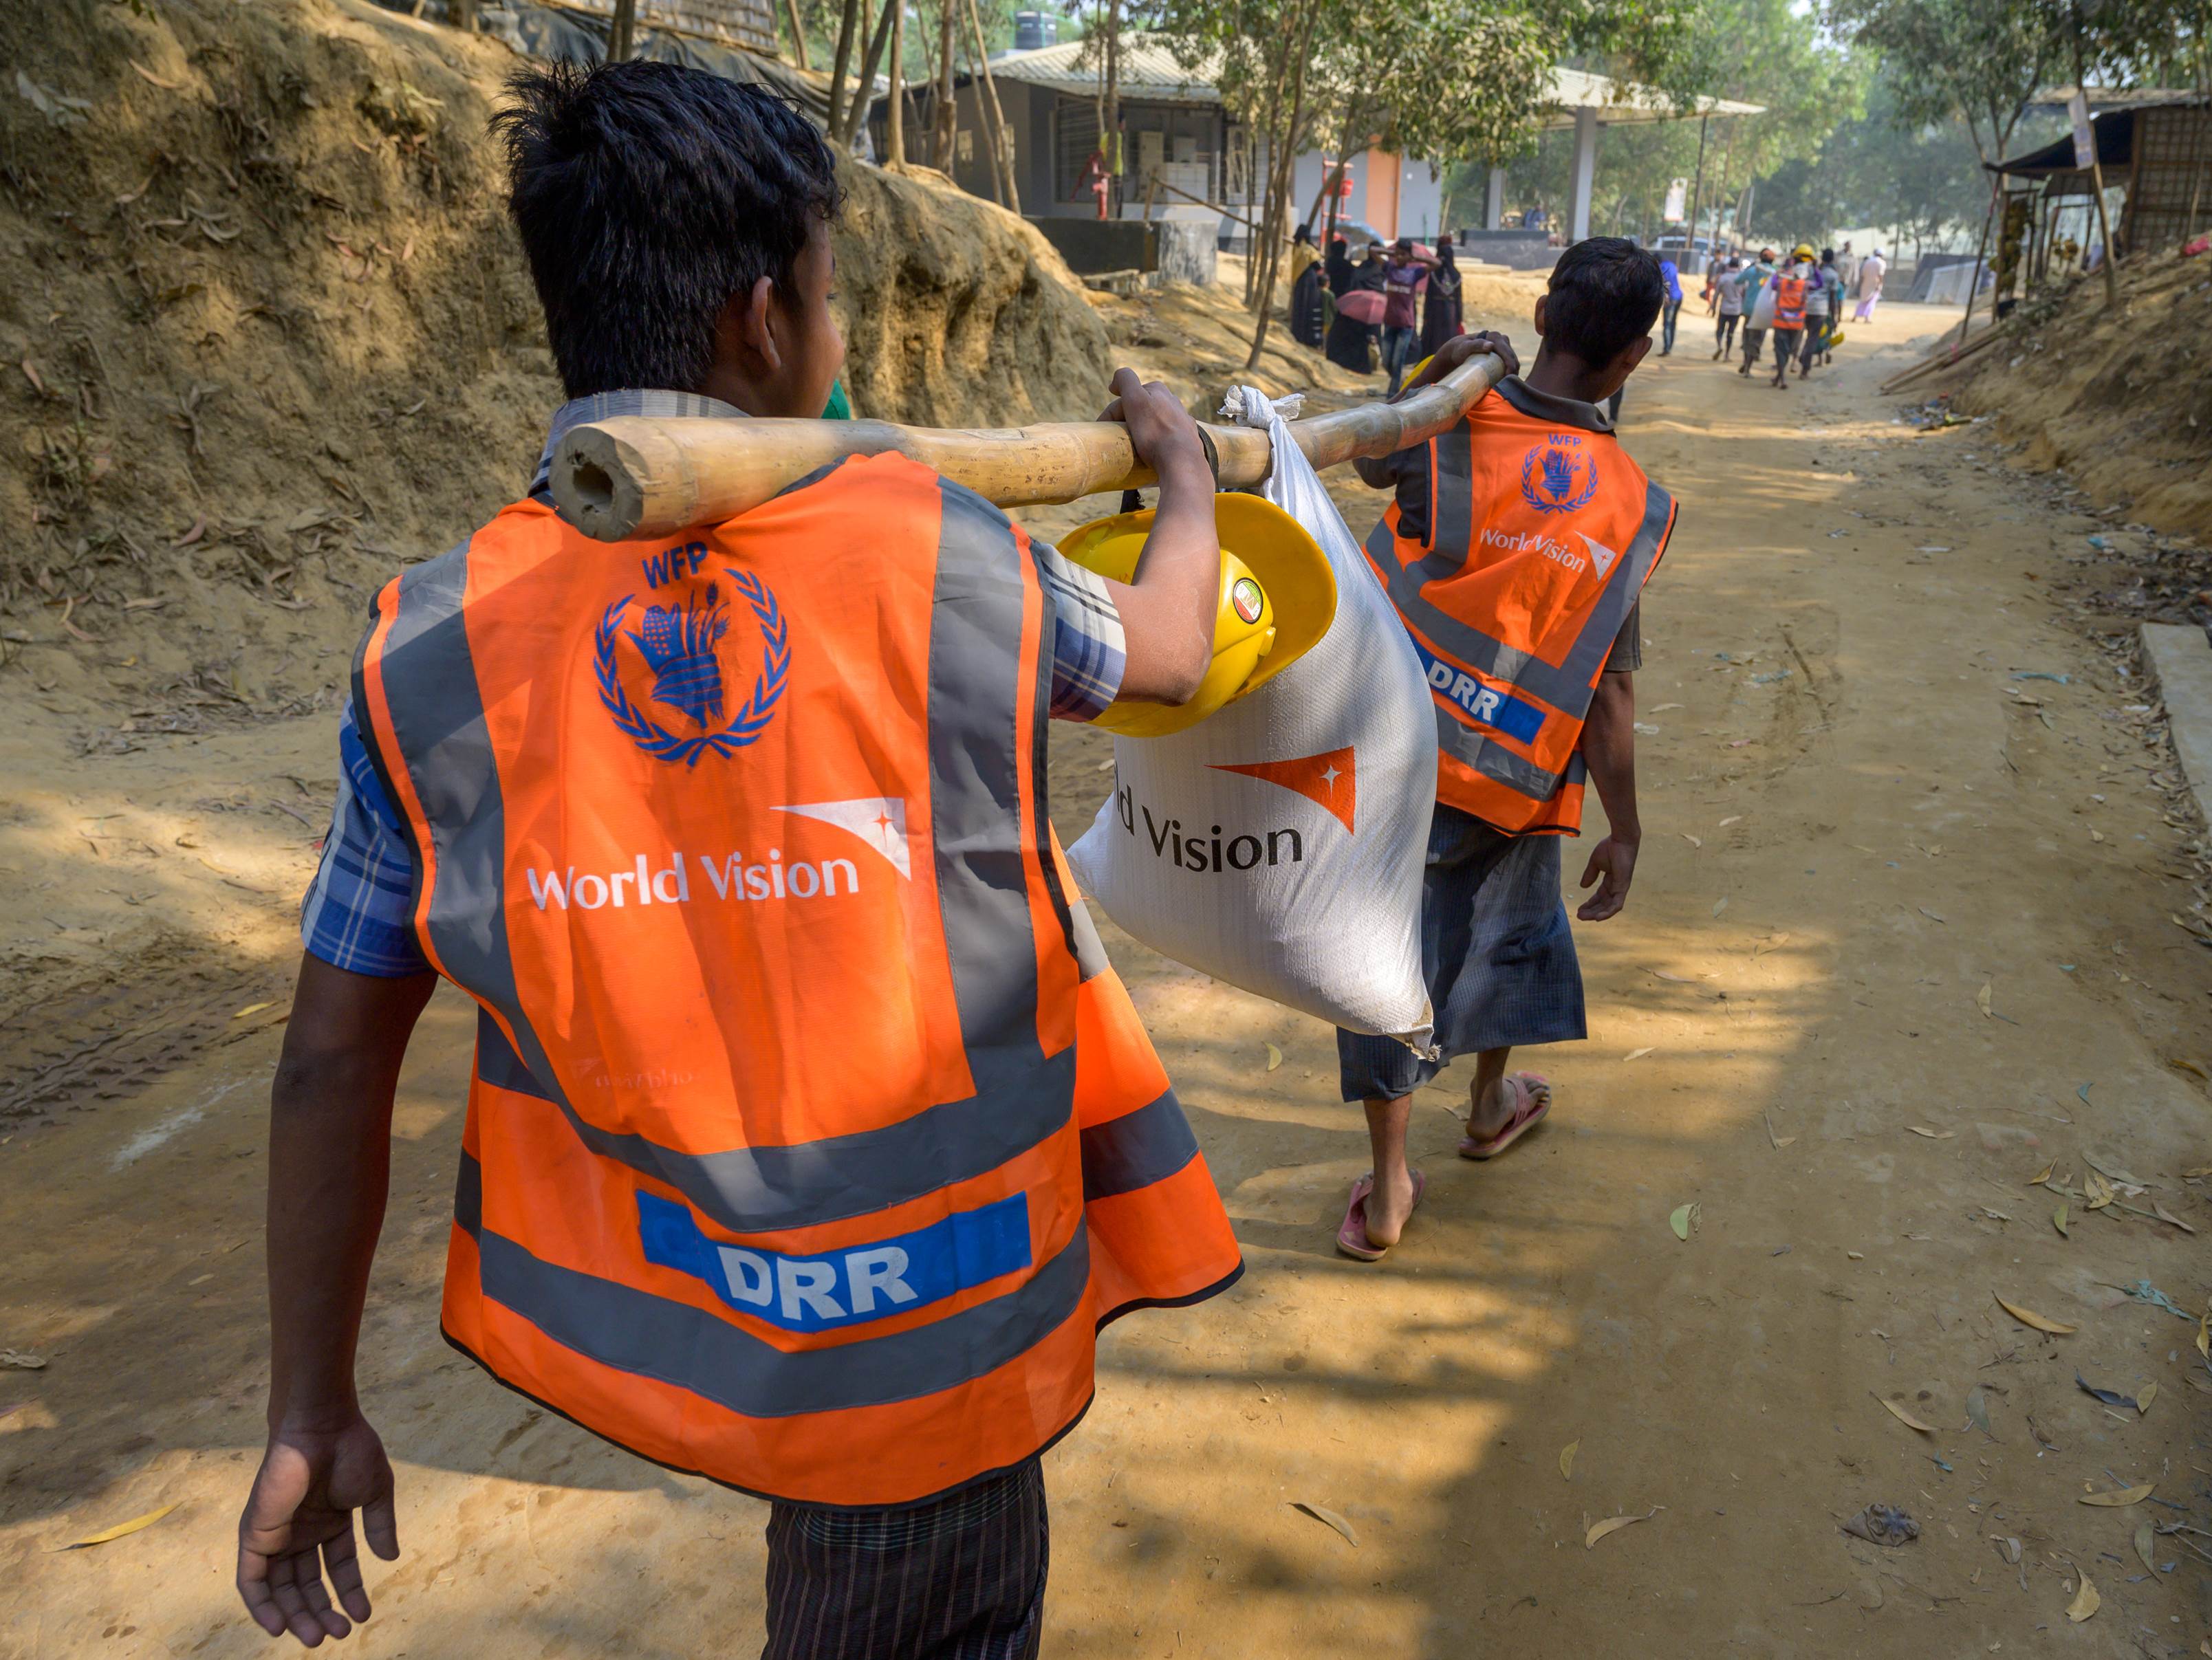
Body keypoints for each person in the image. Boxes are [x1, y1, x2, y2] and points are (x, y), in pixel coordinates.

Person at [232, 61, 1243, 1659]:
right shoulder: (941, 551)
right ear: (766, 319)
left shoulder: (432, 645)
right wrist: (1183, 472)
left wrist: (308, 1399)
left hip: (689, 1302)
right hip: (927, 1323)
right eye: (834, 302)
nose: (838, 346)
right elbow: (1175, 650)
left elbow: (327, 1057)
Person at [1333, 238, 1677, 1259]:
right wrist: (1626, 828)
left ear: (1538, 314)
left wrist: (1440, 370)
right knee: (1511, 935)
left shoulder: (1455, 421)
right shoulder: (1632, 504)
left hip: (1396, 750)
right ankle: (1489, 1104)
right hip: (1523, 775)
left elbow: (1369, 452)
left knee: (1388, 959)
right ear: (1636, 357)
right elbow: (1610, 699)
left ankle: (1390, 1184)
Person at [1326, 240, 1387, 374]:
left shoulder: (1365, 268)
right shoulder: (1380, 269)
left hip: (1356, 306)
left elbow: (1353, 283)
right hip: (1371, 308)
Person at [1379, 238, 1431, 390]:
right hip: (1389, 322)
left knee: (1397, 362)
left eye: (1403, 255)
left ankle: (1392, 394)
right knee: (1386, 361)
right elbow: (1373, 252)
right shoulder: (1390, 269)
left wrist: (1414, 258)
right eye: (1398, 254)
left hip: (1406, 325)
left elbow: (1436, 264)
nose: (1399, 257)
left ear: (1409, 256)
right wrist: (1393, 253)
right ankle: (1399, 382)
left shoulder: (1415, 273)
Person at [1418, 232, 1466, 358]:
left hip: (1435, 310)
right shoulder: (1456, 275)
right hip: (1451, 311)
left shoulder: (1434, 273)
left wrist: (1426, 315)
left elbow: (1429, 296)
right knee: (1449, 337)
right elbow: (1459, 300)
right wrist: (1460, 318)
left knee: (1435, 338)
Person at [1770, 249, 1808, 389]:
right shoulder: (1804, 284)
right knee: (1788, 351)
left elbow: (1773, 285)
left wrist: (1776, 274)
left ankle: (1782, 378)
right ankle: (1780, 378)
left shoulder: (1781, 282)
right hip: (1796, 324)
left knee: (1781, 351)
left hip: (1781, 322)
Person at [1739, 248, 1777, 377]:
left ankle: (1746, 365)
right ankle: (1748, 367)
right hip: (1764, 311)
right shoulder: (1775, 273)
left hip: (1749, 309)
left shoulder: (1752, 271)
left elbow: (1737, 280)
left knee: (1747, 338)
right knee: (1757, 340)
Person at [1797, 241, 1831, 378]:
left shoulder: (1805, 270)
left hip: (1806, 307)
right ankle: (1805, 368)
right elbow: (1831, 295)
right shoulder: (1828, 274)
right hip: (1820, 310)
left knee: (1806, 335)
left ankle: (1802, 357)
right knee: (1813, 338)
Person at [1288, 225, 1325, 347]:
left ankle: (1298, 334)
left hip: (1299, 281)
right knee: (1310, 307)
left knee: (1300, 307)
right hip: (1310, 282)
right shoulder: (1309, 249)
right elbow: (1317, 266)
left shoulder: (1296, 247)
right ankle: (1309, 337)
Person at [1710, 250, 1747, 360]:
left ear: (1729, 265)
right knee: (1731, 333)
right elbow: (1745, 295)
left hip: (1724, 308)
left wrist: (1713, 307)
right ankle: (1727, 355)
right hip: (1736, 310)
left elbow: (1716, 294)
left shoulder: (1723, 277)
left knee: (1720, 330)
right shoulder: (1741, 278)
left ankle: (1719, 345)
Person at [1654, 249, 1683, 356]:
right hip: (1679, 296)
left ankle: (1667, 349)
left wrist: (1666, 298)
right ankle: (1670, 346)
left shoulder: (1662, 268)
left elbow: (1667, 284)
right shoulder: (1672, 265)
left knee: (1667, 324)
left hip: (1671, 298)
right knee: (1673, 323)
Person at [1852, 247, 1885, 321]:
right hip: (1875, 285)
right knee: (1872, 301)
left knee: (1863, 300)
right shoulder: (1882, 263)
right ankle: (1867, 317)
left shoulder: (1867, 262)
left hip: (1865, 284)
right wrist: (1880, 284)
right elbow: (1880, 275)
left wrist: (1861, 284)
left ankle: (1855, 316)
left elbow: (1862, 275)